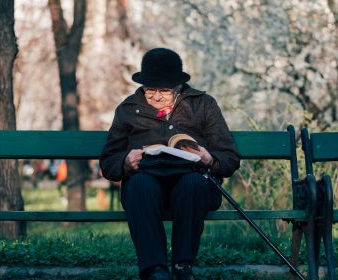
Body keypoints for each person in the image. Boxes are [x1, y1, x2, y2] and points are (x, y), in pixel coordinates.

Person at [100, 48, 240, 280]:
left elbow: (230, 157)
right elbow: (108, 162)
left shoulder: (203, 104)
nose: (155, 96)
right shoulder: (127, 110)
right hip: (146, 185)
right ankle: (155, 270)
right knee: (139, 185)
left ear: (177, 87)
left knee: (192, 183)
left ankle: (183, 266)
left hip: (193, 185)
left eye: (163, 90)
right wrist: (126, 162)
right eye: (149, 90)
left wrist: (209, 159)